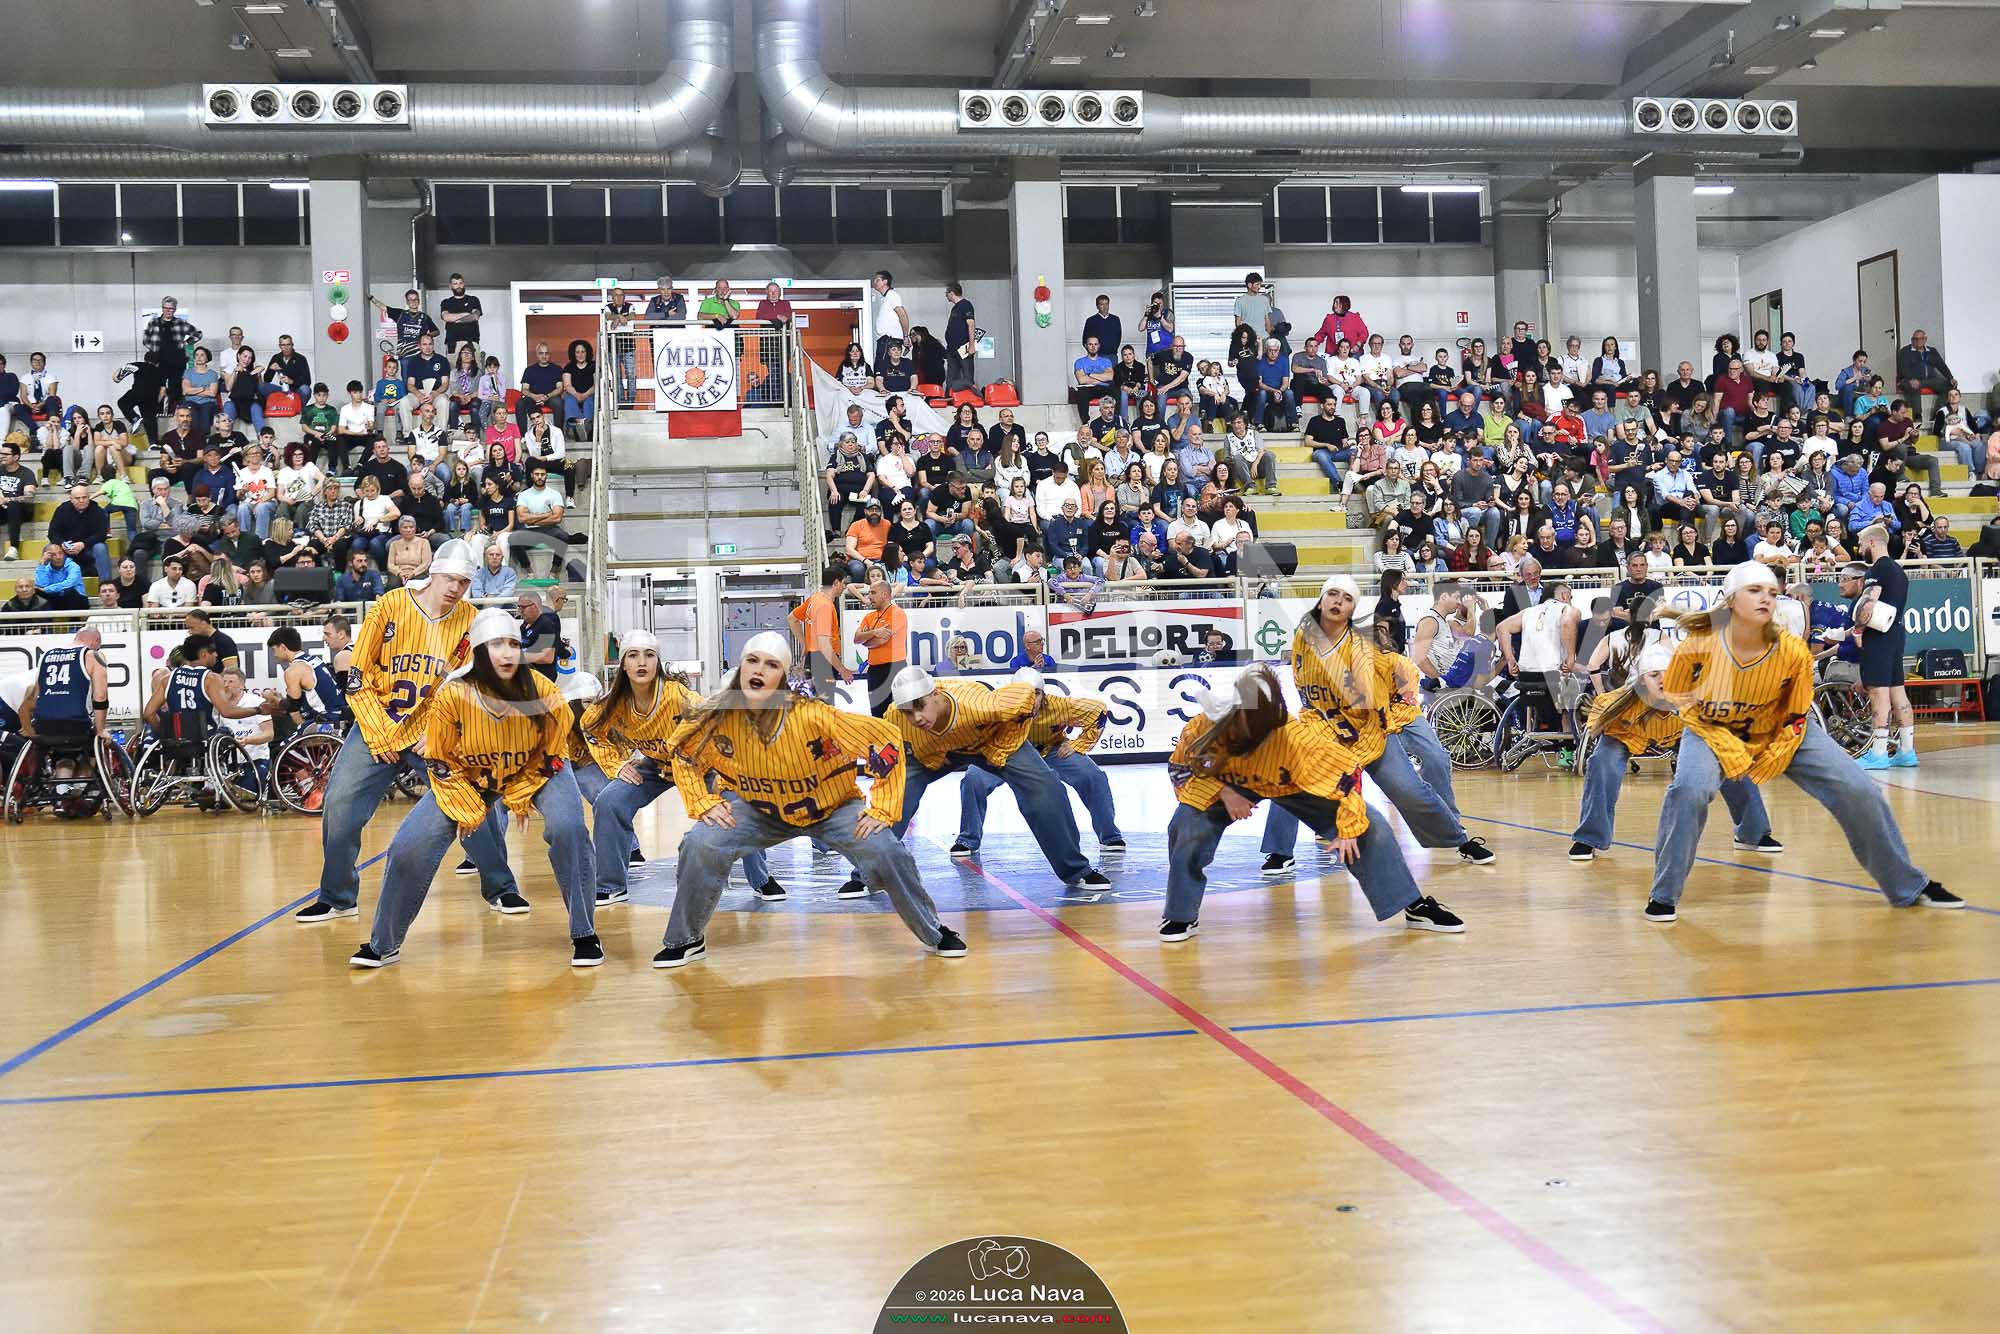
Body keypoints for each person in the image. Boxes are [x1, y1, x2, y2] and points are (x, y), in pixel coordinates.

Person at [1643, 561, 1960, 921]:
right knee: (1689, 790)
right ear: (1730, 600)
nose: (1766, 598)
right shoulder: (1698, 645)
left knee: (1860, 790)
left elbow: (1797, 712)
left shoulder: (1791, 649)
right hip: (1713, 728)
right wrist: (1726, 744)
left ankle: (1907, 884)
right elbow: (1679, 696)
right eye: (1754, 591)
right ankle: (1663, 894)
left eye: (1772, 593)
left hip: (1782, 728)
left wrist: (1773, 752)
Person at [656, 633, 966, 966]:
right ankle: (687, 939)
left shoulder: (811, 715)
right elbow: (682, 751)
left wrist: (883, 808)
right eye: (752, 661)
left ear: (782, 677)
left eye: (771, 665)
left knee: (886, 849)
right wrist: (701, 801)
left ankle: (934, 931)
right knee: (700, 843)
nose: (759, 670)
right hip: (759, 809)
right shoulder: (717, 715)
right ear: (741, 667)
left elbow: (884, 738)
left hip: (831, 808)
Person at [350, 607, 600, 969]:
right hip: (471, 774)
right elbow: (439, 759)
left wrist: (518, 796)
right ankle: (383, 943)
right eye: (497, 644)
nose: (507, 652)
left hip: (535, 770)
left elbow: (551, 751)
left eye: (513, 644)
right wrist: (468, 807)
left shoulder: (543, 691)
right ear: (480, 651)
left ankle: (585, 932)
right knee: (408, 846)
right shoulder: (453, 695)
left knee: (569, 828)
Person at [293, 540, 524, 925]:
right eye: (450, 579)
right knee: (339, 804)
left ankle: (502, 887)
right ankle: (337, 896)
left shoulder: (472, 624)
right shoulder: (390, 605)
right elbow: (357, 678)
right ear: (433, 572)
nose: (455, 588)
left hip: (432, 732)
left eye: (464, 583)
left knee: (472, 799)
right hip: (378, 724)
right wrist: (378, 732)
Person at [1163, 666, 1463, 943]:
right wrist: (1224, 792)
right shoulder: (1203, 726)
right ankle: (1180, 914)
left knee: (1370, 826)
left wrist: (1348, 829)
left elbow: (1346, 775)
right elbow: (1180, 770)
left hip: (1292, 783)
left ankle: (1414, 905)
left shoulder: (1297, 740)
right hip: (1229, 785)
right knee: (1186, 825)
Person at [1257, 575, 1494, 875]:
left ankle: (1457, 838)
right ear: (1321, 599)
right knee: (1289, 776)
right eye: (1333, 594)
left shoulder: (1368, 653)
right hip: (1324, 726)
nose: (1338, 601)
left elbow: (1388, 697)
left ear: (1352, 611)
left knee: (1410, 789)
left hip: (1370, 730)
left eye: (1346, 598)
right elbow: (1304, 684)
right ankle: (1280, 851)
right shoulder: (1304, 635)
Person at [585, 631, 779, 909]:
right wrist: (616, 765)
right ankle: (611, 884)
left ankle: (761, 879)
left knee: (738, 805)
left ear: (658, 662)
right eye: (633, 656)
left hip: (702, 764)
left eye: (649, 655)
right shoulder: (614, 702)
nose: (642, 662)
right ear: (623, 664)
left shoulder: (677, 696)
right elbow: (590, 726)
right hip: (655, 765)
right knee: (608, 802)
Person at [885, 666, 1111, 897]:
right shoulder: (895, 717)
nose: (916, 718)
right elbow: (885, 755)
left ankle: (1076, 870)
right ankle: (870, 874)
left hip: (990, 743)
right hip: (936, 752)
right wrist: (927, 758)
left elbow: (1024, 696)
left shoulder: (978, 703)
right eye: (908, 712)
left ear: (935, 694)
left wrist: (997, 752)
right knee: (895, 795)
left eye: (920, 706)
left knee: (1045, 788)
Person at [1568, 640, 1778, 861]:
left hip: (1683, 736)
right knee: (1602, 762)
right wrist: (1596, 726)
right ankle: (1588, 838)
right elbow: (1594, 725)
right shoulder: (1619, 701)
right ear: (1642, 680)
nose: (1662, 680)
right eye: (1654, 675)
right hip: (1627, 737)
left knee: (1731, 759)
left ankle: (1752, 833)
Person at [953, 668, 1123, 858]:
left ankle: (1110, 836)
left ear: (1044, 694)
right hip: (1008, 751)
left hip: (1051, 750)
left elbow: (1098, 710)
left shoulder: (1060, 706)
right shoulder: (997, 705)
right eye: (1024, 693)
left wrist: (1078, 744)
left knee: (1093, 776)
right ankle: (968, 839)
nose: (1031, 699)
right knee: (973, 778)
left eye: (1036, 693)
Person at [1848, 524, 1918, 771]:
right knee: (1898, 692)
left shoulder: (1877, 569)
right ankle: (1907, 751)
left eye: (1861, 543)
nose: (1859, 548)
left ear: (1872, 542)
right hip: (1896, 633)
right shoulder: (1898, 571)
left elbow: (1868, 604)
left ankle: (1878, 753)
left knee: (1878, 693)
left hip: (1878, 636)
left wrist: (1858, 630)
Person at [853, 576, 909, 716]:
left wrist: (866, 640)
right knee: (877, 714)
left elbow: (880, 641)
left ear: (884, 595)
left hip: (894, 668)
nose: (869, 597)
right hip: (874, 670)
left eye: (873, 593)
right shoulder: (869, 616)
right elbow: (856, 639)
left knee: (897, 713)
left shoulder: (897, 613)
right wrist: (874, 633)